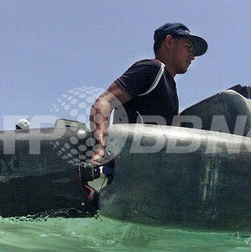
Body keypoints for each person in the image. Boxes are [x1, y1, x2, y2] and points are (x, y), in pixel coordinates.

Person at [89, 22, 207, 165]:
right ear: (169, 42)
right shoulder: (153, 69)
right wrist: (100, 146)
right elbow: (104, 101)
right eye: (188, 47)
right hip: (129, 169)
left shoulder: (171, 87)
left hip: (150, 173)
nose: (192, 56)